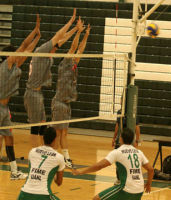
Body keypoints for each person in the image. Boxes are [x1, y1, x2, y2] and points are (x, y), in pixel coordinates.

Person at [24, 9, 77, 148]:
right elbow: (58, 35)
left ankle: (42, 151)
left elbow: (61, 40)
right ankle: (35, 155)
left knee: (42, 124)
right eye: (55, 46)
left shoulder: (49, 54)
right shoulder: (41, 50)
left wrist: (76, 30)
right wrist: (71, 22)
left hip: (37, 93)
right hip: (32, 92)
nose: (57, 48)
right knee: (36, 127)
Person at [0, 14, 41, 180]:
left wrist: (38, 37)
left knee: (10, 139)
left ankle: (14, 171)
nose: (18, 54)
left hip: (5, 109)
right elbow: (24, 45)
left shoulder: (15, 66)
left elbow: (28, 50)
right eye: (15, 52)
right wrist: (34, 30)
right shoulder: (6, 64)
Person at [72, 128, 154, 200]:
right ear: (132, 139)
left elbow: (100, 165)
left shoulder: (117, 152)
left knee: (96, 199)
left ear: (121, 138)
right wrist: (148, 184)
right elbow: (150, 169)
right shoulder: (139, 152)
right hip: (139, 190)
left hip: (126, 189)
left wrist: (81, 171)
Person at [51, 19, 90, 168]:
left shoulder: (72, 65)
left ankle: (66, 158)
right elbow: (74, 47)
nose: (74, 57)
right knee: (57, 133)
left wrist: (86, 35)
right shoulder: (64, 65)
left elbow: (80, 50)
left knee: (64, 133)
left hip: (66, 104)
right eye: (71, 56)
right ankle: (53, 158)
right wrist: (78, 32)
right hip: (59, 103)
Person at [17, 127, 65, 200]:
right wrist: (53, 172)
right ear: (55, 139)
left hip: (23, 194)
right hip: (43, 195)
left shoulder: (32, 152)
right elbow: (59, 182)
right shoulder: (59, 157)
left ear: (43, 138)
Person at [112, 109, 141, 184]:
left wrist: (137, 141)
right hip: (121, 140)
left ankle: (128, 179)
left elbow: (137, 126)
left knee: (128, 160)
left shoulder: (132, 111)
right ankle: (119, 178)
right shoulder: (119, 112)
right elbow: (117, 125)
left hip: (129, 140)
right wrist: (114, 138)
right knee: (118, 159)